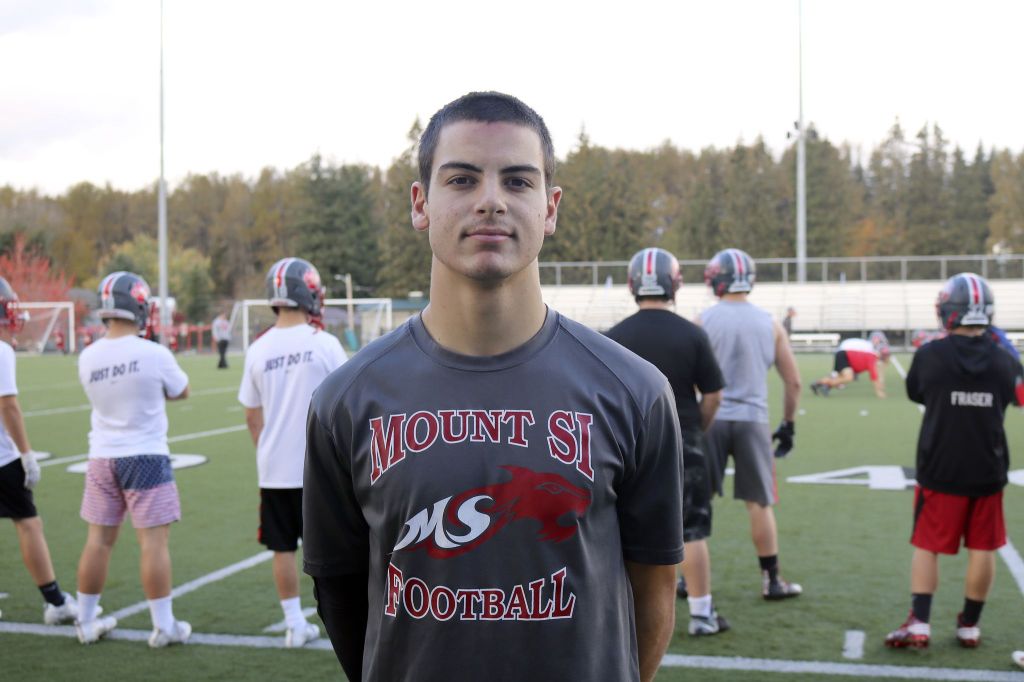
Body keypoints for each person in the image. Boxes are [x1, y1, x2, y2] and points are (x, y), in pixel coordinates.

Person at [303, 92, 683, 682]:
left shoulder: (635, 392)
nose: (490, 201)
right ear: (420, 202)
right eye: (461, 179)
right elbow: (342, 593)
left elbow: (654, 586)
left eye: (517, 181)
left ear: (550, 207)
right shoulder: (345, 402)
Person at [885, 273, 1023, 649]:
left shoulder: (931, 355)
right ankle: (969, 626)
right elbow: (1016, 395)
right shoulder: (1005, 359)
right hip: (988, 468)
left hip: (941, 467)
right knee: (984, 546)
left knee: (927, 545)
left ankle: (920, 624)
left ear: (948, 310)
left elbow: (917, 392)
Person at [606, 247, 726, 636]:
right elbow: (713, 395)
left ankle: (623, 617)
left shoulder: (615, 337)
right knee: (691, 530)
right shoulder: (692, 333)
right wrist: (695, 430)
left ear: (632, 284)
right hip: (684, 439)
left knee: (625, 533)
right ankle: (703, 614)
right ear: (675, 284)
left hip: (625, 445)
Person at [74, 271, 191, 647]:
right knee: (153, 544)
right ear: (138, 304)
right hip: (146, 454)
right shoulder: (153, 353)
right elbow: (181, 390)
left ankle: (86, 620)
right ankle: (163, 625)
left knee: (98, 541)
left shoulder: (88, 356)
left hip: (101, 456)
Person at [237, 257, 347, 648]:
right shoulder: (325, 344)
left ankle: (292, 624)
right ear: (307, 293)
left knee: (282, 548)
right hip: (320, 471)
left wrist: (268, 450)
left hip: (274, 468)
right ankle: (343, 623)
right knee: (337, 552)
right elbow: (346, 406)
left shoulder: (257, 349)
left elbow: (252, 414)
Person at [699, 248, 803, 600]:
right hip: (753, 420)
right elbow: (794, 382)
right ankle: (772, 580)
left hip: (711, 419)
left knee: (697, 500)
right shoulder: (769, 322)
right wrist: (788, 423)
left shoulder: (704, 320)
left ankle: (688, 579)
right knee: (760, 503)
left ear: (717, 278)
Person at [0, 276, 79, 625]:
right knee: (29, 523)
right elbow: (8, 406)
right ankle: (56, 602)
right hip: (2, 458)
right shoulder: (1, 351)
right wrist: (27, 453)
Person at [810, 334, 890, 398]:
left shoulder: (871, 355)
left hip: (844, 355)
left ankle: (817, 383)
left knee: (839, 377)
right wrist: (879, 392)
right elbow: (874, 377)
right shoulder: (872, 358)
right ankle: (826, 385)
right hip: (844, 356)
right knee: (849, 377)